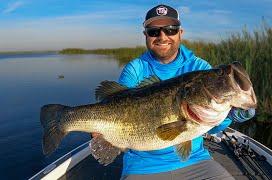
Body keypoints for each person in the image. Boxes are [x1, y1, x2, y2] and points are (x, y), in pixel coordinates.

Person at [95, 4, 255, 179]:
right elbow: (115, 104)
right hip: (142, 165)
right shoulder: (136, 68)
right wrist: (101, 132)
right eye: (154, 31)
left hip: (195, 160)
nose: (162, 36)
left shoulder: (199, 67)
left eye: (170, 30)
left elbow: (214, 123)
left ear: (180, 33)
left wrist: (232, 114)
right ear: (146, 36)